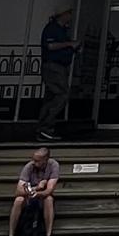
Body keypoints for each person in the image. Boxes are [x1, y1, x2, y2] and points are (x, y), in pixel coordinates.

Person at [3, 144, 59, 236]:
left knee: (49, 199)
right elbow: (18, 190)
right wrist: (37, 188)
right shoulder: (29, 166)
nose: (34, 162)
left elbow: (49, 190)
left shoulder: (53, 165)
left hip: (42, 197)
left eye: (38, 161)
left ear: (45, 160)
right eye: (33, 159)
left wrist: (38, 193)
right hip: (29, 196)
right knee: (18, 200)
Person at [36, 8, 77, 139]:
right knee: (62, 94)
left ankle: (43, 129)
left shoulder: (61, 30)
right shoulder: (53, 29)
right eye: (69, 13)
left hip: (56, 66)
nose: (71, 16)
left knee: (51, 96)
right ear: (62, 14)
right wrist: (70, 44)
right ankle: (46, 126)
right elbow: (51, 46)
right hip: (54, 67)